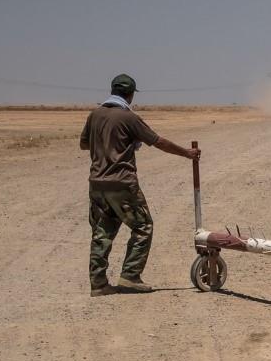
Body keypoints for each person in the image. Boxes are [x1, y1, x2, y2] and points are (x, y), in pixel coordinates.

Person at [80, 74, 200, 296]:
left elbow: (84, 144)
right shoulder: (129, 117)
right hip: (122, 184)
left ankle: (98, 284)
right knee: (143, 226)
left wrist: (106, 147)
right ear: (131, 94)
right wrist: (187, 153)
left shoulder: (94, 115)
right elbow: (158, 142)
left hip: (97, 184)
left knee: (102, 232)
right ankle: (130, 276)